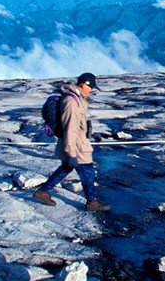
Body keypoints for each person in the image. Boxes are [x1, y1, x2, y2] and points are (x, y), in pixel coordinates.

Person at [34, 73, 111, 212]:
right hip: (76, 145)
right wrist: (71, 153)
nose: (92, 90)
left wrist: (92, 133)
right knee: (88, 172)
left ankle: (42, 191)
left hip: (78, 141)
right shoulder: (71, 101)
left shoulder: (78, 99)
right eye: (91, 87)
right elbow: (70, 128)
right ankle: (92, 202)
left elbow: (79, 124)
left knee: (66, 168)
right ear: (83, 85)